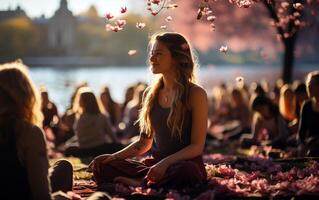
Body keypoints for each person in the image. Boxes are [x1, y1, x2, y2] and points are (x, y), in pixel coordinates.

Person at [88, 32, 208, 190]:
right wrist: (114, 157)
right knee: (102, 165)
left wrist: (166, 163)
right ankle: (148, 182)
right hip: (154, 167)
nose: (152, 59)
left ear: (176, 58)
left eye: (158, 54)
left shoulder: (196, 94)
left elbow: (196, 147)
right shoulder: (150, 94)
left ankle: (141, 183)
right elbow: (144, 143)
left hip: (183, 165)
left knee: (187, 172)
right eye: (152, 54)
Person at [0, 61, 73, 200]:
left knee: (63, 166)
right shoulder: (28, 132)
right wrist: (60, 198)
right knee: (101, 197)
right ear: (26, 94)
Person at [64, 87, 123, 157]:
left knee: (69, 147)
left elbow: (79, 137)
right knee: (119, 146)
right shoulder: (103, 116)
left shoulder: (80, 118)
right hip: (101, 149)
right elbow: (112, 136)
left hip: (84, 151)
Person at [297, 70, 319, 156]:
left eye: (312, 85)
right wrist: (301, 145)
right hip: (309, 146)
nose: (308, 88)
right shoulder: (306, 106)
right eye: (308, 85)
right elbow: (301, 133)